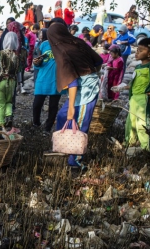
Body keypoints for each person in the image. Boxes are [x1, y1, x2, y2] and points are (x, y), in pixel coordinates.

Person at [47, 20, 103, 169]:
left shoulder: (63, 51)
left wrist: (71, 107)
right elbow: (99, 61)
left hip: (85, 89)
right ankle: (63, 147)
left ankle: (75, 162)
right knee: (61, 116)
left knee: (79, 122)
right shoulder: (77, 42)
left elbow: (72, 81)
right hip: (79, 86)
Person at [119, 38, 150, 150]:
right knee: (130, 123)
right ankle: (129, 143)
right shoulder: (138, 67)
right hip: (133, 98)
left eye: (140, 50)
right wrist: (122, 87)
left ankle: (146, 147)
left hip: (144, 99)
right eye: (137, 50)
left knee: (142, 124)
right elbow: (134, 83)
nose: (137, 53)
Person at [0, 32, 21, 129]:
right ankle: (9, 116)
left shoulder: (1, 54)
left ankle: (1, 123)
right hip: (12, 82)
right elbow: (19, 72)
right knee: (9, 101)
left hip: (2, 81)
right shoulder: (17, 56)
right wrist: (20, 84)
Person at [32, 28, 61, 133]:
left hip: (56, 80)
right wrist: (36, 62)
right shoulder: (44, 44)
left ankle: (48, 127)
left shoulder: (63, 45)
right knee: (37, 104)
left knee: (53, 105)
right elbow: (36, 60)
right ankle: (36, 123)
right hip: (42, 78)